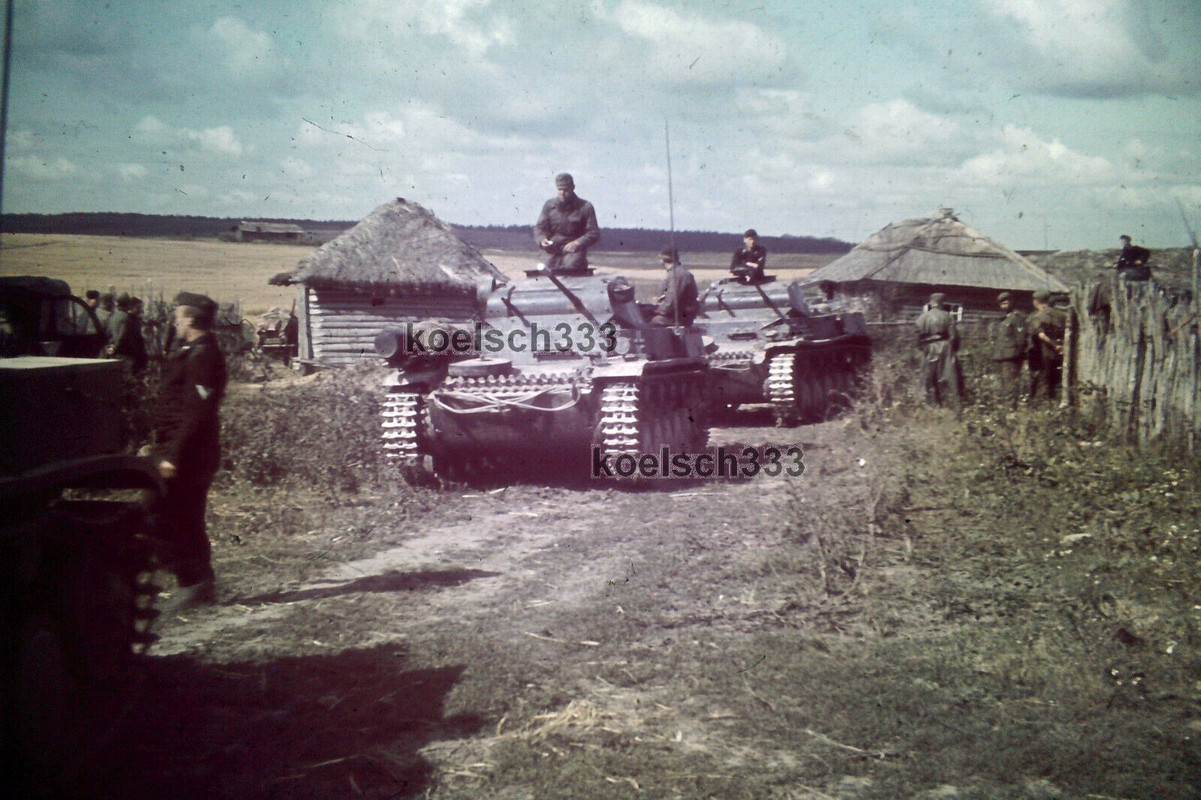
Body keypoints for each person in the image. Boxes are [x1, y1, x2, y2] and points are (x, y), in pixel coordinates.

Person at [151, 292, 227, 606]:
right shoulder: (192, 352)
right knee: (183, 515)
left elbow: (197, 414)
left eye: (179, 317)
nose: (175, 322)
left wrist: (172, 457)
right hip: (182, 451)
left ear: (192, 320)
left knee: (164, 513)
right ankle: (197, 582)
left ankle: (194, 582)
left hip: (190, 455)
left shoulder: (202, 356)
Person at [534, 173, 601, 273]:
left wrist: (577, 243)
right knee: (544, 271)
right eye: (559, 189)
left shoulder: (585, 207)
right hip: (552, 250)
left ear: (573, 188)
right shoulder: (549, 205)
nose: (562, 193)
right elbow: (540, 228)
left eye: (566, 190)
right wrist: (542, 240)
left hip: (573, 250)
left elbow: (593, 233)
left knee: (571, 269)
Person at [915, 292, 963, 408]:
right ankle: (953, 406)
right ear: (941, 303)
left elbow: (917, 339)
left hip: (928, 349)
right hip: (945, 348)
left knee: (928, 378)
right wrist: (953, 350)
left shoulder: (921, 318)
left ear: (931, 303)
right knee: (951, 379)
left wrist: (924, 349)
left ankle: (930, 405)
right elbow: (954, 336)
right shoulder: (947, 316)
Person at [1027, 289, 1067, 402]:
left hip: (1043, 353)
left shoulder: (1037, 316)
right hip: (1059, 353)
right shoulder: (1061, 315)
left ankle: (1042, 404)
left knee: (1043, 380)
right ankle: (1053, 401)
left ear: (1035, 302)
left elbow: (1041, 336)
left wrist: (1054, 346)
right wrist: (1060, 347)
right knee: (1055, 380)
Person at [990, 292, 1027, 408]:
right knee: (1000, 384)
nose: (1004, 306)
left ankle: (1010, 410)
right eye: (1002, 304)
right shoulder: (1004, 320)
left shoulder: (1017, 318)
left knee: (1010, 385)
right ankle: (1001, 409)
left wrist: (1017, 356)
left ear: (1012, 302)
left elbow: (1021, 339)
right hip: (1000, 356)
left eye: (1006, 303)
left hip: (1011, 357)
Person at [650, 247, 699, 327]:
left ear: (662, 260)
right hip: (679, 316)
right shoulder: (678, 273)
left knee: (645, 322)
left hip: (678, 319)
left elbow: (671, 303)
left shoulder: (676, 275)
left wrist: (654, 310)